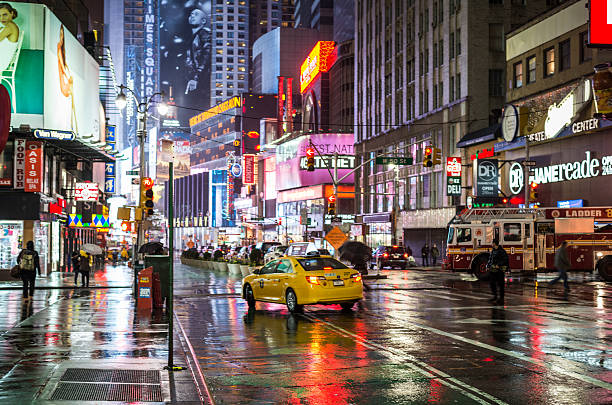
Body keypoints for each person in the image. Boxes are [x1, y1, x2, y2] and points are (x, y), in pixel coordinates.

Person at [184, 8, 211, 95]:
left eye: (195, 14)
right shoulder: (192, 37)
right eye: (191, 14)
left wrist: (196, 78)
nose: (192, 16)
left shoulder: (205, 34)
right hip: (194, 80)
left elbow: (206, 56)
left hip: (201, 80)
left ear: (203, 21)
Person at [486, 239, 509, 305]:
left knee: (501, 284)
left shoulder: (502, 251)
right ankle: (495, 296)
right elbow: (490, 259)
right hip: (493, 270)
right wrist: (488, 265)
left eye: (492, 243)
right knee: (492, 283)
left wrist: (499, 265)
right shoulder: (493, 251)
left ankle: (501, 298)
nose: (491, 244)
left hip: (500, 270)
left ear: (494, 243)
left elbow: (505, 259)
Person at [0, 3, 20, 71]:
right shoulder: (10, 25)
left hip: (2, 62)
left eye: (5, 15)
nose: (1, 18)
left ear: (11, 13)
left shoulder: (9, 27)